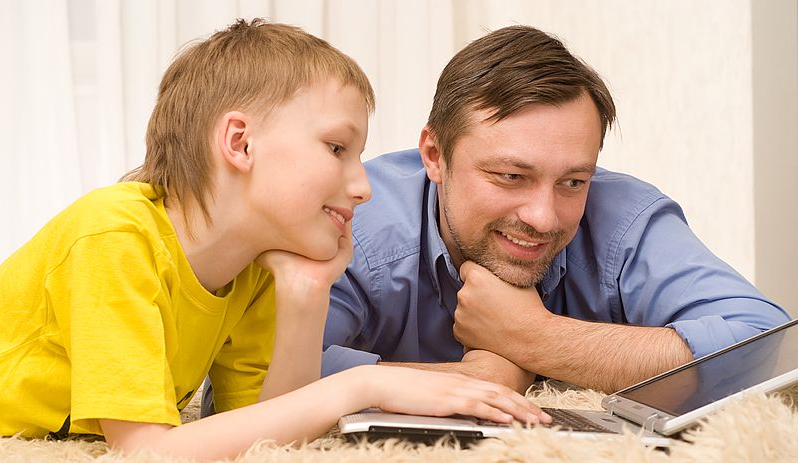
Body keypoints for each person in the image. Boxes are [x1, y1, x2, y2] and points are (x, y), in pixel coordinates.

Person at [0, 19, 550, 462]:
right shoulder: (112, 236)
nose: (362, 185)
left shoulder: (251, 272)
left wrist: (304, 297)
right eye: (337, 148)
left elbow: (263, 435)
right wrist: (363, 385)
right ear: (240, 143)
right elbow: (146, 454)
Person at [317, 25, 791, 396]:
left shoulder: (624, 221)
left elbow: (762, 342)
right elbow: (262, 376)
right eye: (510, 176)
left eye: (572, 182)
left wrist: (533, 337)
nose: (544, 218)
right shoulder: (355, 220)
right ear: (435, 156)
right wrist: (482, 377)